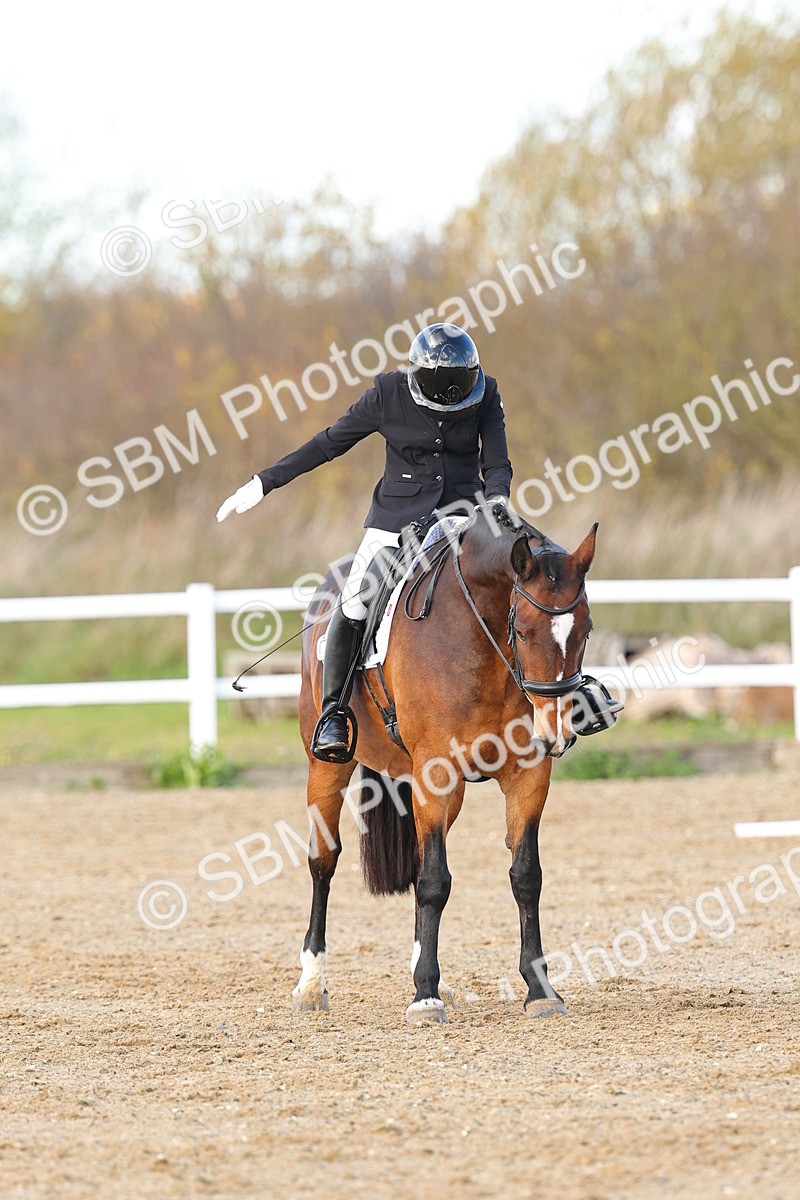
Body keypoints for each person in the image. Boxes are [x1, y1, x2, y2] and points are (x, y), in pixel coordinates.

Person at [216, 322, 513, 760]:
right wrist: (264, 483)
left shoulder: (485, 392)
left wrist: (498, 503)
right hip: (396, 521)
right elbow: (328, 444)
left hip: (463, 519)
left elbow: (498, 463)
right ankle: (334, 712)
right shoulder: (387, 393)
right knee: (355, 601)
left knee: (526, 578)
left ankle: (557, 696)